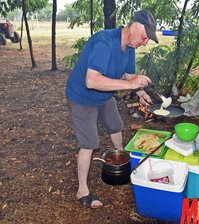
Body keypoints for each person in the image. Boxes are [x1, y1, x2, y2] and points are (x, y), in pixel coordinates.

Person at [65, 10, 158, 209]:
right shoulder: (104, 43)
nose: (145, 42)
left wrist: (140, 91)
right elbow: (91, 81)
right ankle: (82, 190)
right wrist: (130, 86)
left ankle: (121, 163)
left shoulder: (130, 49)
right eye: (145, 37)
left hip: (104, 95)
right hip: (82, 96)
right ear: (133, 28)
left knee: (116, 126)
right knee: (89, 143)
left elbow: (129, 78)